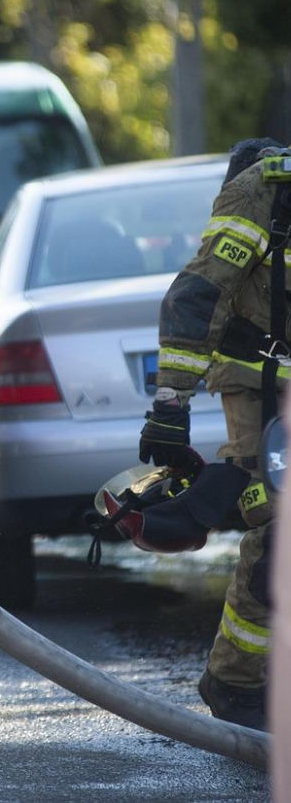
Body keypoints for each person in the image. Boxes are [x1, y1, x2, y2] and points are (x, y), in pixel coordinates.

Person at [139, 136, 291, 731]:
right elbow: (197, 295)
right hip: (262, 381)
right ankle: (232, 680)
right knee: (276, 531)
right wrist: (171, 406)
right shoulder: (266, 191)